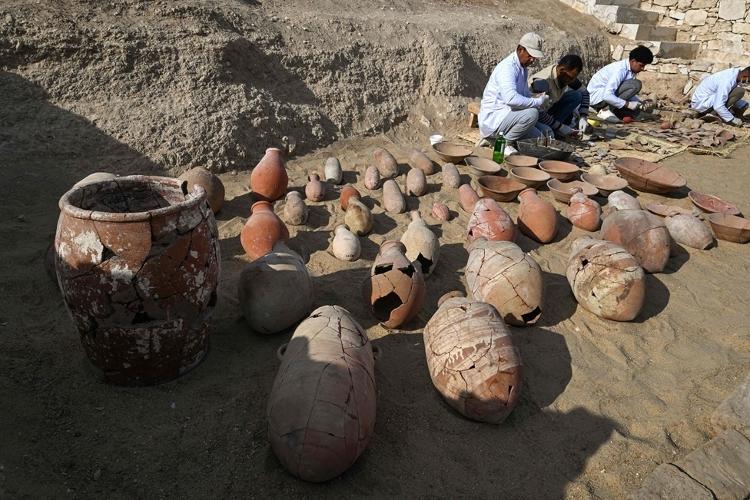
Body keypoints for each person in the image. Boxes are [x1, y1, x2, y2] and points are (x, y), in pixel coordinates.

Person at [478, 32, 551, 156]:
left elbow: (523, 95)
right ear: (521, 49)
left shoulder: (522, 68)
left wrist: (537, 100)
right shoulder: (507, 68)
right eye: (530, 55)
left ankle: (492, 140)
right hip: (495, 119)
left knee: (542, 136)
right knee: (531, 114)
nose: (532, 60)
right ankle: (505, 143)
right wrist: (537, 102)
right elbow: (511, 99)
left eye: (534, 57)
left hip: (509, 117)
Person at [587, 45, 654, 123]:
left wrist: (640, 103)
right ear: (633, 61)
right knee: (636, 85)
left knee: (636, 110)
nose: (642, 69)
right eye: (641, 65)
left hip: (604, 97)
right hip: (596, 99)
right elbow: (607, 95)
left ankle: (616, 110)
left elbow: (625, 91)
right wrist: (628, 104)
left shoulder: (630, 70)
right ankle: (606, 110)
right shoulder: (620, 70)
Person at [530, 54, 590, 138]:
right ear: (562, 70)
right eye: (570, 78)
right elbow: (538, 113)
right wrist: (560, 127)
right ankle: (556, 129)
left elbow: (585, 93)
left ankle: (557, 128)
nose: (571, 81)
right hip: (533, 116)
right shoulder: (542, 82)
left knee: (576, 96)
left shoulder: (566, 75)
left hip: (547, 111)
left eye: (573, 78)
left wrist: (583, 116)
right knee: (548, 134)